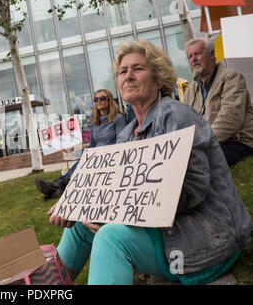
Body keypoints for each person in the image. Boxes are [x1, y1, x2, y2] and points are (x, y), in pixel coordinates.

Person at [48, 40, 251, 285]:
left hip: (201, 241)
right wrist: (80, 205)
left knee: (111, 236)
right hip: (160, 233)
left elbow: (193, 191)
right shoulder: (126, 134)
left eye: (138, 69)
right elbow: (116, 191)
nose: (129, 76)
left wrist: (119, 213)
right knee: (79, 226)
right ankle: (48, 286)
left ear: (158, 78)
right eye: (123, 72)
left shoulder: (177, 115)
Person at [36, 89, 127, 201]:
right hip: (95, 154)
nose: (99, 101)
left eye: (102, 98)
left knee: (83, 162)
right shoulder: (94, 122)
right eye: (96, 99)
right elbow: (92, 145)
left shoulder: (118, 118)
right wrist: (74, 152)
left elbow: (121, 143)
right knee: (81, 160)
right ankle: (56, 188)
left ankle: (55, 187)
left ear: (109, 101)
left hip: (110, 156)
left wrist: (102, 153)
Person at [184, 38, 253, 166]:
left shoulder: (231, 77)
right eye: (190, 56)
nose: (194, 59)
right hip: (206, 144)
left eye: (198, 53)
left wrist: (201, 143)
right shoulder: (190, 90)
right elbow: (187, 123)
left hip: (236, 141)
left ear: (212, 55)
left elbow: (231, 118)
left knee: (199, 164)